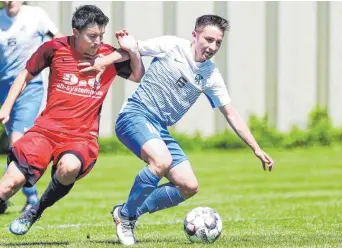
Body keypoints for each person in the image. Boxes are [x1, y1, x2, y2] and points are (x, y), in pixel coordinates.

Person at [0, 5, 144, 247]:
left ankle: (35, 210)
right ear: (76, 32)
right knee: (9, 182)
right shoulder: (55, 48)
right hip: (46, 131)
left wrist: (128, 51)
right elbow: (24, 75)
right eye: (92, 36)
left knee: (69, 166)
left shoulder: (106, 55)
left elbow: (137, 74)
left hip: (80, 137)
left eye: (101, 35)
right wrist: (6, 108)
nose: (97, 41)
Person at [88, 14, 275, 245]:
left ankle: (127, 211)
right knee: (161, 161)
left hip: (160, 129)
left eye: (218, 43)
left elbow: (231, 113)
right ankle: (126, 218)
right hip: (135, 115)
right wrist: (103, 61)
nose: (212, 47)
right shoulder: (171, 46)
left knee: (188, 186)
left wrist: (256, 148)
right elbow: (131, 49)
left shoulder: (211, 76)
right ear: (194, 35)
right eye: (208, 39)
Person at [0, 1, 61, 213]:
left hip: (32, 85)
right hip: (6, 88)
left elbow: (59, 39)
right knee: (15, 146)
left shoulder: (36, 15)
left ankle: (26, 196)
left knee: (16, 140)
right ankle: (5, 194)